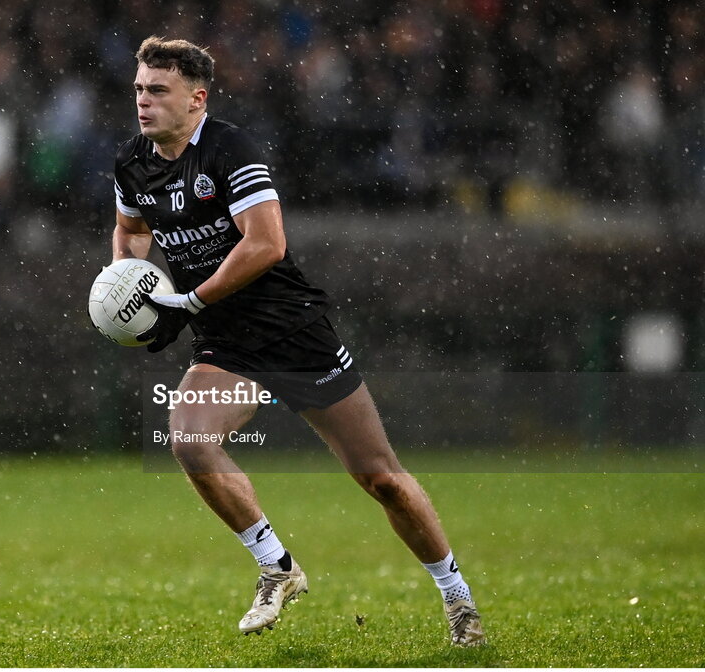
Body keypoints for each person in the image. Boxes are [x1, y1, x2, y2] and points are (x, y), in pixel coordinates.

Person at [110, 36, 486, 646]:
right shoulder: (133, 162)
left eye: (158, 91)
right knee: (190, 442)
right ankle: (276, 565)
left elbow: (266, 244)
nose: (143, 102)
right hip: (226, 344)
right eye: (138, 90)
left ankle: (457, 597)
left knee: (381, 478)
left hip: (294, 332)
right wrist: (132, 292)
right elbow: (130, 233)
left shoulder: (230, 149)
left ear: (196, 99)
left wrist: (190, 300)